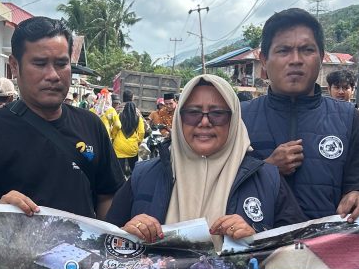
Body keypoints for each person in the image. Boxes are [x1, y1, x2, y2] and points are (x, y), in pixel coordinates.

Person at [0, 16, 123, 219]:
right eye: (40, 63)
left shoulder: (91, 125)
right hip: (11, 251)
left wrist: (116, 233)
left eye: (62, 64)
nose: (53, 75)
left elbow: (107, 195)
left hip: (81, 250)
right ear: (15, 66)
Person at [107, 74, 305, 245]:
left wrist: (256, 240)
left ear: (234, 119)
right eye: (193, 113)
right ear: (179, 118)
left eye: (217, 113)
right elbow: (102, 246)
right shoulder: (143, 176)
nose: (204, 122)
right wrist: (126, 235)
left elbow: (298, 252)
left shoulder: (268, 180)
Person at [242, 8, 359, 221]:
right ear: (264, 60)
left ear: (321, 57)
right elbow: (222, 188)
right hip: (258, 251)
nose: (295, 60)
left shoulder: (349, 119)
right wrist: (267, 169)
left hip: (324, 250)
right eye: (283, 51)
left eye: (307, 50)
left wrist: (357, 195)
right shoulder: (239, 119)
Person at [326, 68, 359, 142]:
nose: (341, 92)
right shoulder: (322, 113)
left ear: (353, 90)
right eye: (337, 88)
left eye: (345, 88)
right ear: (329, 89)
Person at [108, 88, 147, 175]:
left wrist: (113, 138)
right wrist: (138, 142)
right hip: (132, 147)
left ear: (123, 98)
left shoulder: (116, 110)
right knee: (134, 170)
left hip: (118, 146)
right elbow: (142, 132)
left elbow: (114, 127)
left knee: (119, 172)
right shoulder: (137, 113)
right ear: (132, 98)